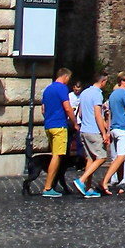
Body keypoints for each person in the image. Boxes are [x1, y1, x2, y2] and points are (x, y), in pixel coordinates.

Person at [39, 68, 78, 197]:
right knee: (57, 155)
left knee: (54, 154)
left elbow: (43, 109)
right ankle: (48, 187)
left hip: (48, 125)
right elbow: (67, 107)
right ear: (65, 77)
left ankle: (51, 185)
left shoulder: (48, 89)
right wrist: (74, 122)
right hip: (59, 125)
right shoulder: (62, 88)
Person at [74, 72, 110, 195]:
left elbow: (80, 114)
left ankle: (88, 189)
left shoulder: (84, 93)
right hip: (93, 131)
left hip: (84, 130)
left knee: (90, 159)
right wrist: (104, 133)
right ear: (103, 81)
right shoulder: (97, 94)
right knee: (102, 157)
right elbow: (98, 115)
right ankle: (81, 180)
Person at [101, 73, 125, 196]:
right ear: (122, 81)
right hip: (122, 128)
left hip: (114, 128)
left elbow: (109, 113)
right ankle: (104, 181)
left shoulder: (113, 94)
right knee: (121, 157)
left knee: (119, 158)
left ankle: (121, 184)